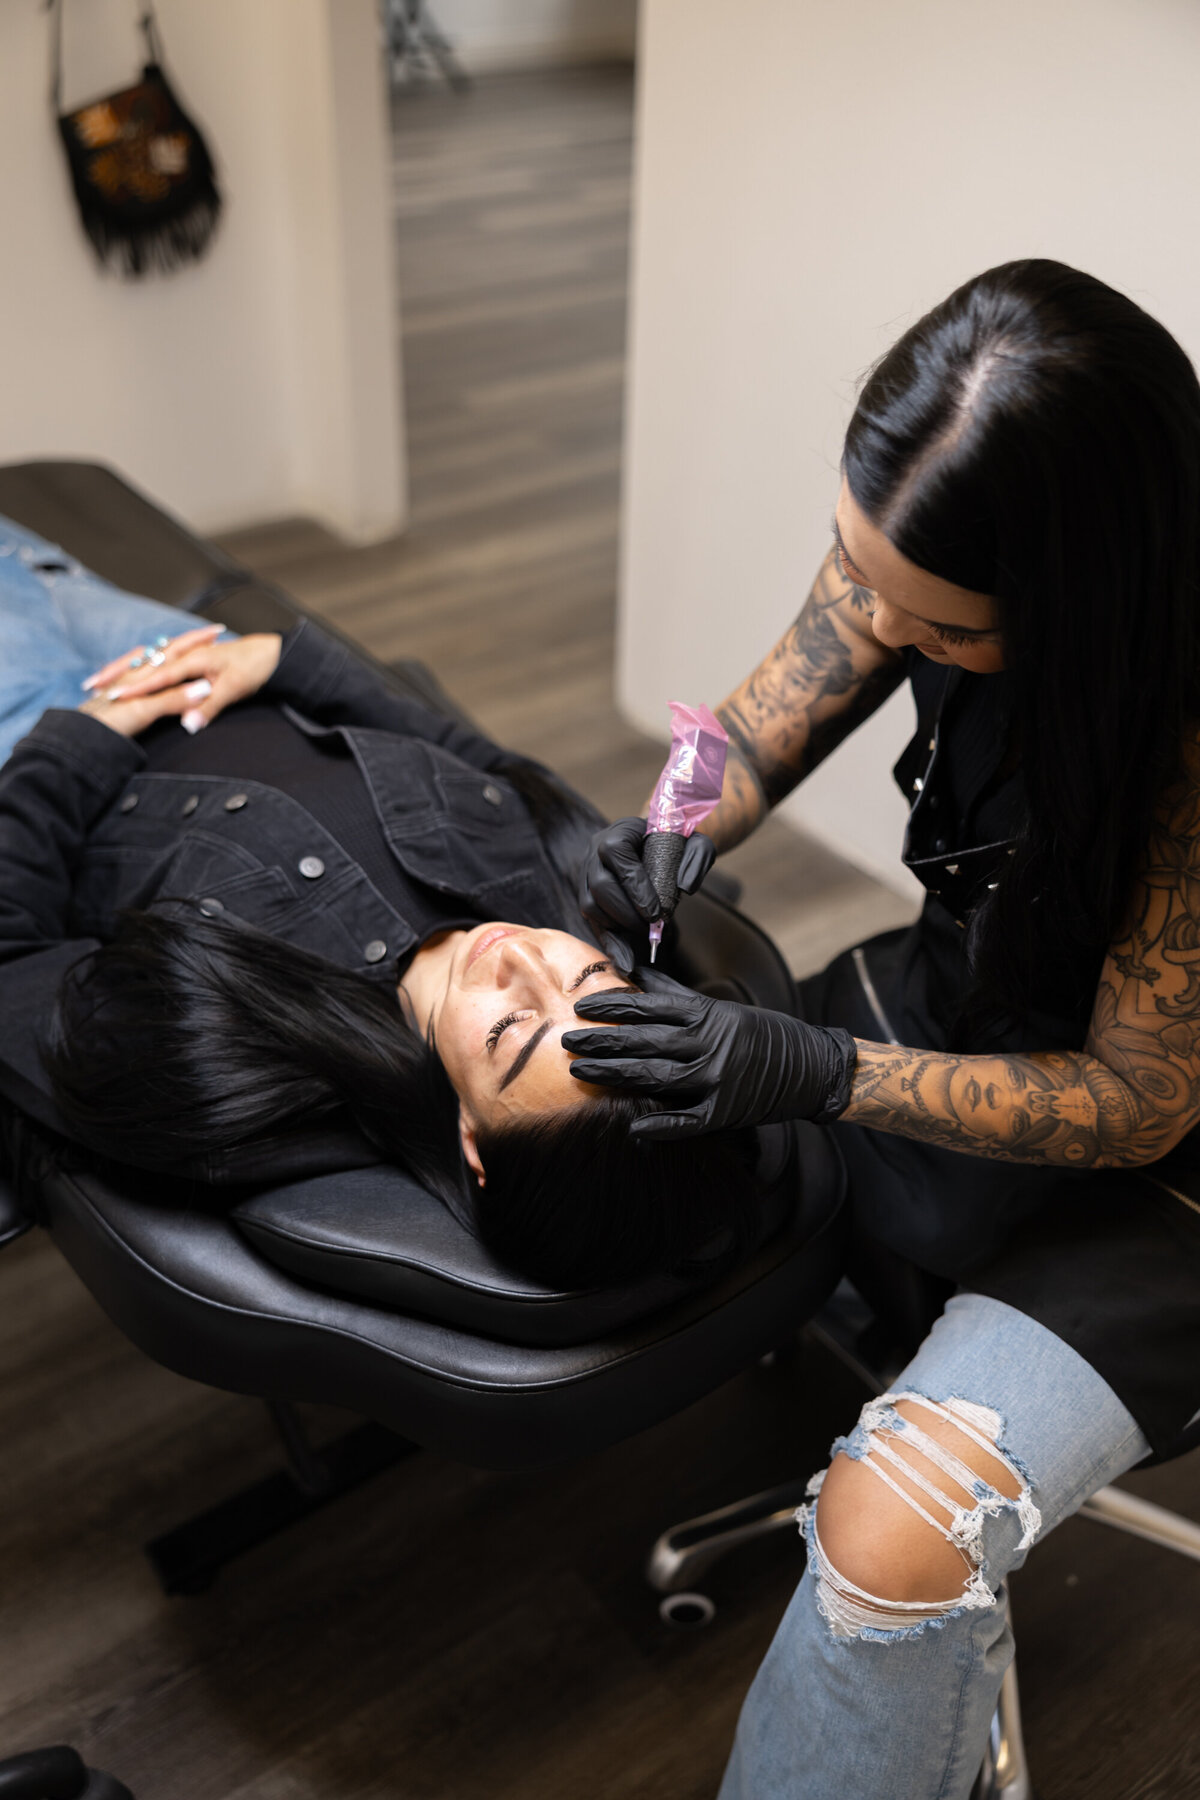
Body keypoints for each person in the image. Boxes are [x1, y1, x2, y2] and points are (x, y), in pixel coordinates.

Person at [568, 259, 1200, 1798]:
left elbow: (1139, 1097)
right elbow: (753, 721)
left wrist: (825, 1073)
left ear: (1086, 602)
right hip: (961, 1002)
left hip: (1160, 1169)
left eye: (940, 626)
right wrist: (667, 818)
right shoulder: (910, 551)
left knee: (895, 1530)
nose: (883, 629)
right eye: (869, 580)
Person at [0, 512, 764, 1290]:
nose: (522, 956)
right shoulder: (577, 885)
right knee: (37, 556)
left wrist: (76, 743)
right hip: (205, 658)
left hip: (29, 734)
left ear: (471, 1140)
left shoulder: (252, 1057)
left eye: (509, 1031)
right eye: (592, 980)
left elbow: (11, 965)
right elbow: (478, 758)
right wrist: (284, 658)